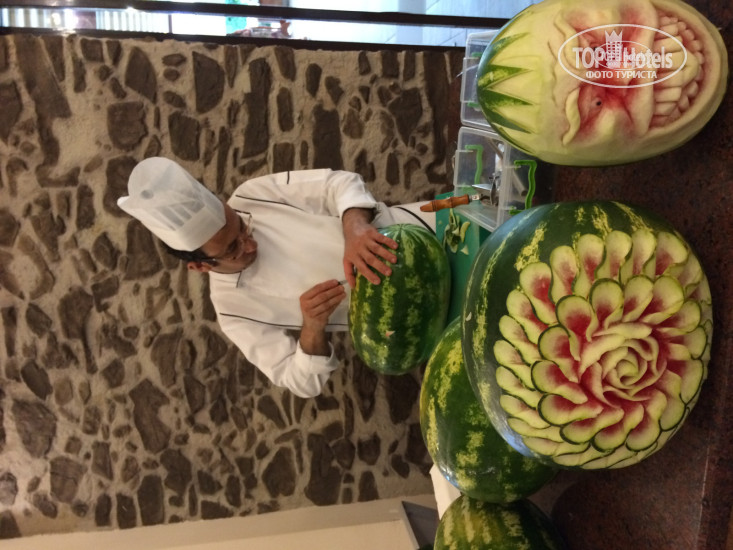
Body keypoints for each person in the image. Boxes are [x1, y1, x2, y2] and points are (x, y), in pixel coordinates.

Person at [118, 157, 435, 398]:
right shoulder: (232, 311)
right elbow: (299, 382)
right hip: (417, 319)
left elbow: (337, 183)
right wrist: (312, 328)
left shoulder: (252, 195)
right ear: (200, 267)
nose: (249, 244)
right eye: (233, 250)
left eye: (242, 227)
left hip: (423, 232)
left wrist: (355, 228)